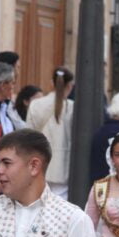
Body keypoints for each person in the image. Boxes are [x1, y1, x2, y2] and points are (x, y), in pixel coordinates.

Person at [26, 67, 75, 198]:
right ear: (70, 86)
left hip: (39, 165)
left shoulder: (35, 105)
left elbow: (28, 135)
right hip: (63, 169)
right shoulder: (72, 108)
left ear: (51, 83)